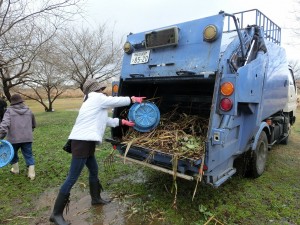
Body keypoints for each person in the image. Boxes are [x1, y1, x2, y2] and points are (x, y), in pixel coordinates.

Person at [50, 78, 145, 225]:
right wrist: (132, 99)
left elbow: (104, 119)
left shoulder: (91, 101)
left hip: (86, 142)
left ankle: (95, 199)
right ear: (97, 89)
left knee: (94, 169)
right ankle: (56, 214)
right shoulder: (97, 98)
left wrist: (122, 122)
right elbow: (115, 101)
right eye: (101, 88)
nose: (103, 90)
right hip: (82, 142)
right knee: (72, 177)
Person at [0, 94, 37, 180]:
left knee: (13, 154)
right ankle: (31, 174)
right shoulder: (28, 110)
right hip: (27, 138)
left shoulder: (9, 111)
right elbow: (33, 124)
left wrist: (0, 136)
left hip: (13, 138)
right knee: (28, 155)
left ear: (12, 102)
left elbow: (4, 125)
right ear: (21, 101)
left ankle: (15, 170)